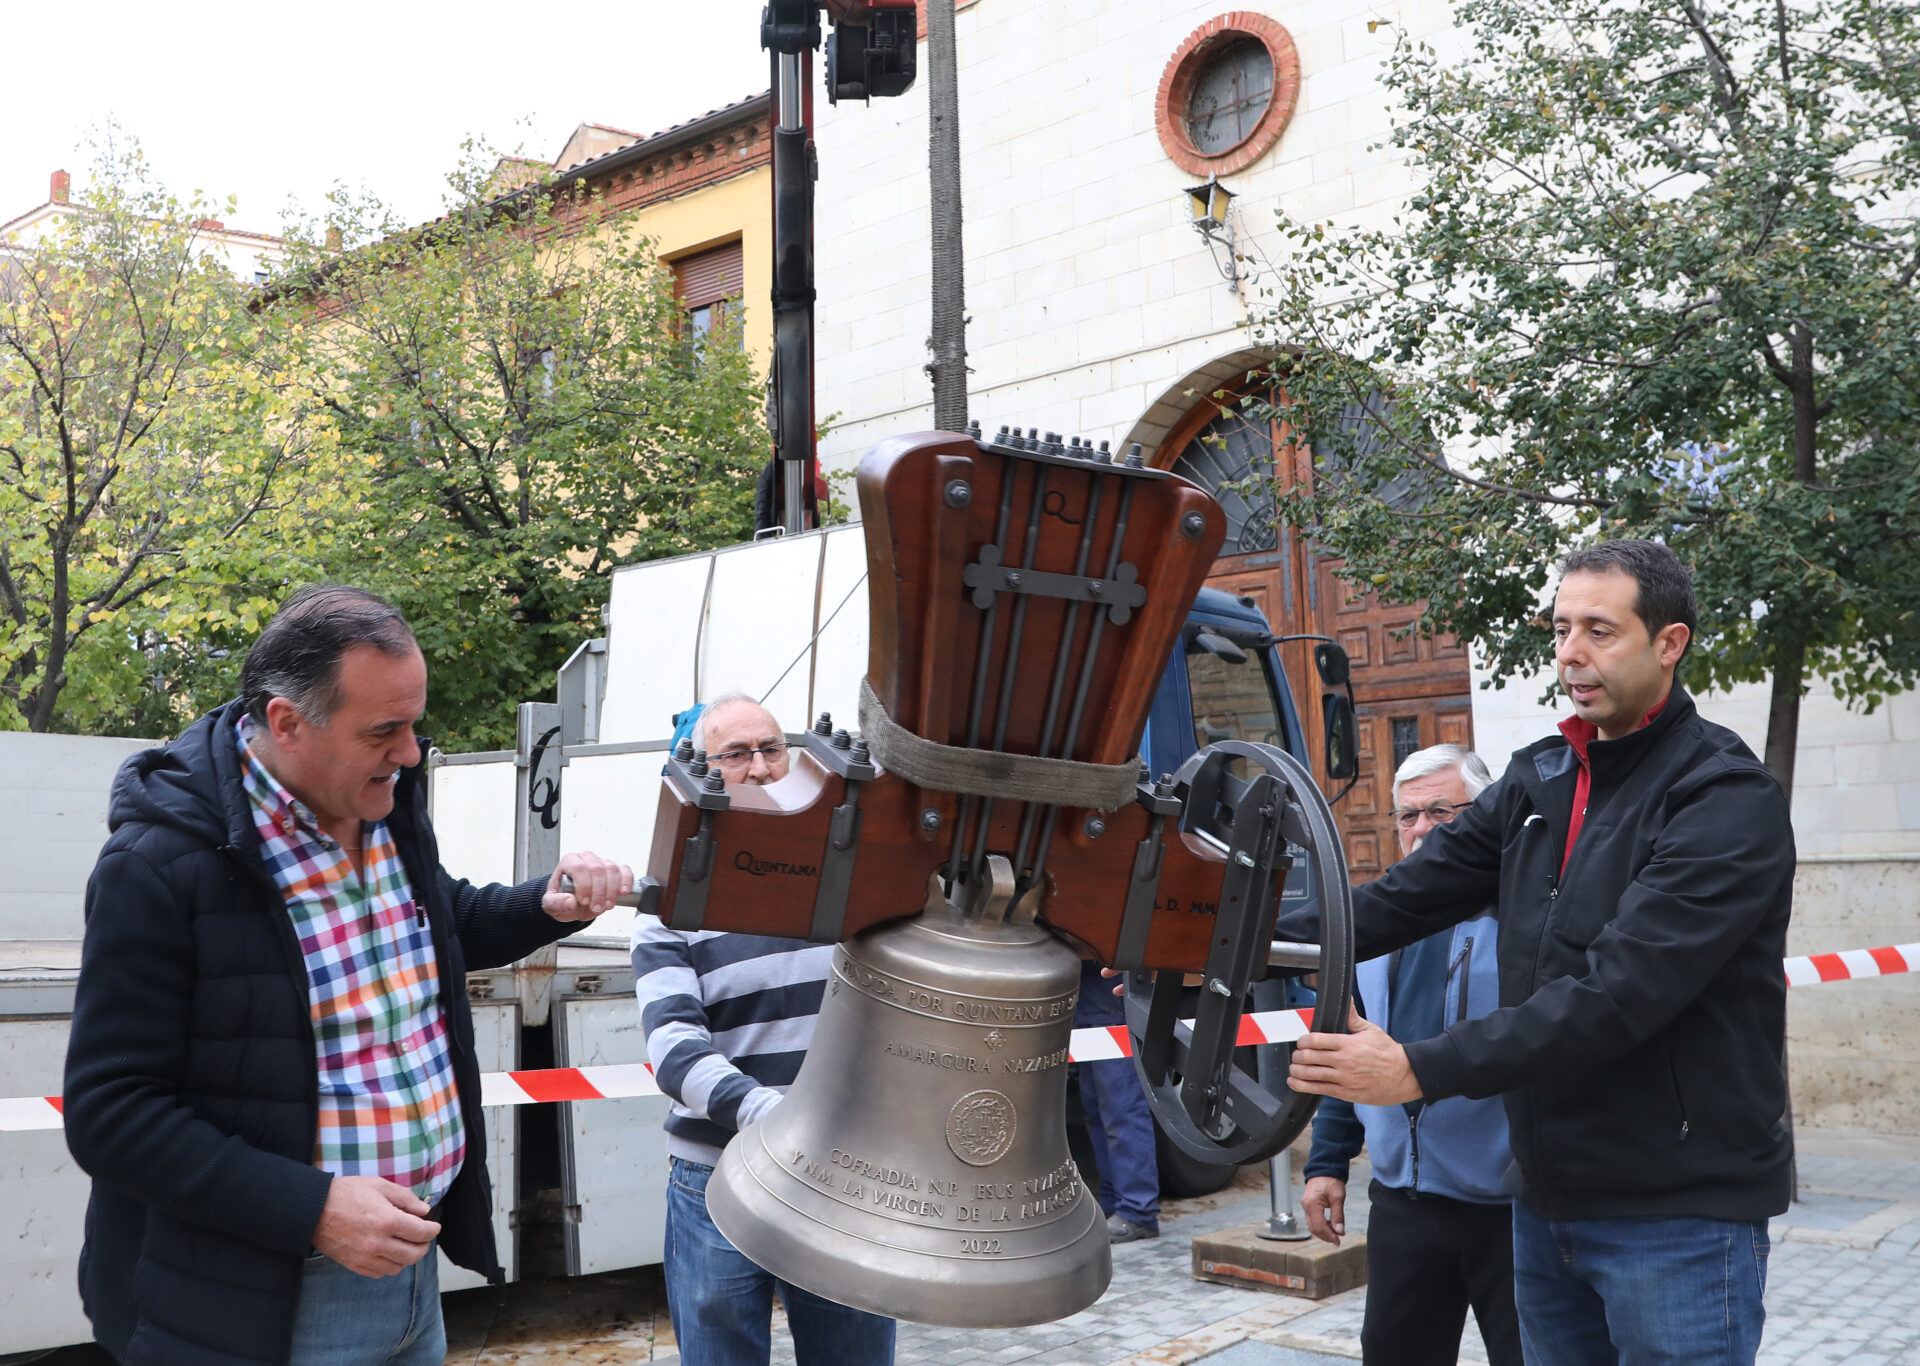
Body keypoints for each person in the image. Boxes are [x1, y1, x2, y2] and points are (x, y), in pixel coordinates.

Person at [62, 584, 635, 1366]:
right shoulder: (158, 866)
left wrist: (546, 905)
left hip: (410, 1273)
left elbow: (435, 923)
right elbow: (112, 1115)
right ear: (286, 723)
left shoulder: (382, 801)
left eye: (414, 725)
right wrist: (315, 1208)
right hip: (267, 1305)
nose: (411, 753)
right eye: (384, 731)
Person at [1282, 540, 1792, 1366]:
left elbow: (1615, 993)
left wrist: (1416, 1068)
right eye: (1561, 629)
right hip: (1543, 1202)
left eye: (1600, 630)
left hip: (1676, 1214)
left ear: (1670, 643)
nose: (1570, 654)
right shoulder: (1538, 778)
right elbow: (1402, 898)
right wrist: (1221, 943)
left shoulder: (1723, 795)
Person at [633, 693, 896, 1366]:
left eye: (772, 748)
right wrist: (775, 1122)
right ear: (700, 769)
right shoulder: (669, 901)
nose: (759, 767)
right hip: (717, 1180)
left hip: (842, 1180)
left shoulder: (854, 881)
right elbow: (674, 1050)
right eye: (736, 754)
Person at [1301, 743, 1520, 1366]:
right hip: (1405, 1203)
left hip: (1509, 1208)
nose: (1422, 828)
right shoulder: (1367, 926)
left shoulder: (1523, 920)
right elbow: (1347, 1049)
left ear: (1485, 818)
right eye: (1408, 815)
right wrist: (1327, 1163)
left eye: (1442, 812)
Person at [1073, 960, 1162, 1242]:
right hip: (1090, 992)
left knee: (1121, 1106)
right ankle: (1114, 1202)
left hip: (1109, 983)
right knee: (1097, 1109)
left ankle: (1138, 1209)